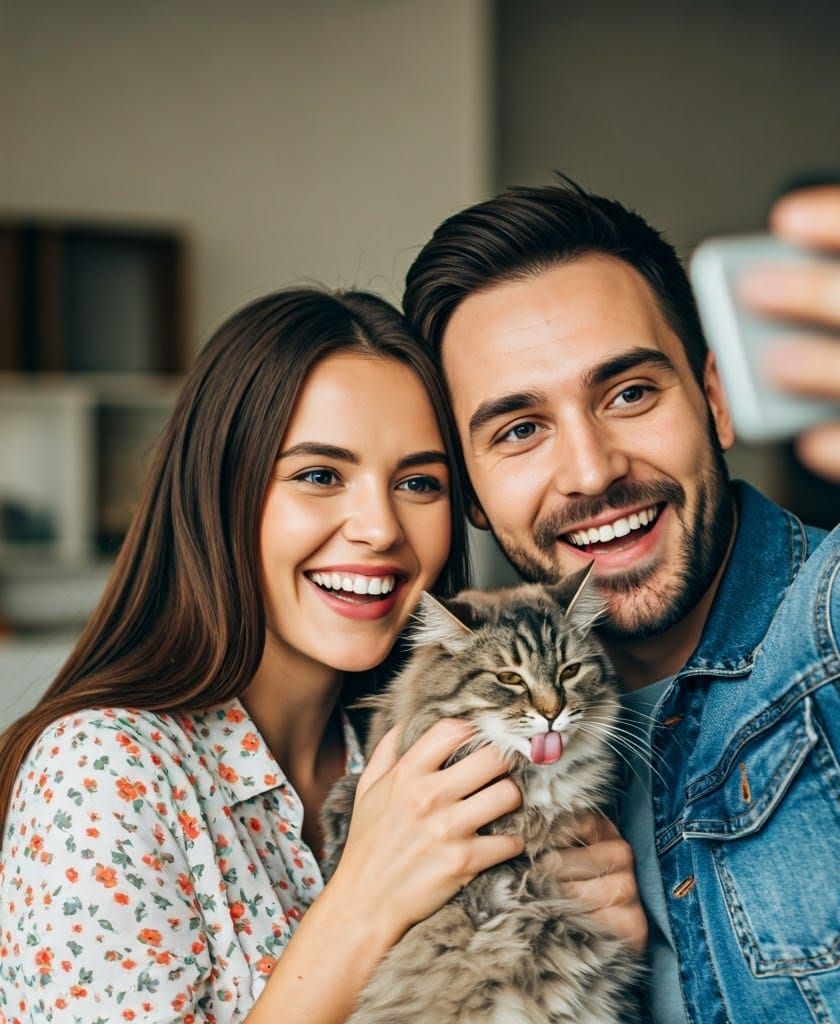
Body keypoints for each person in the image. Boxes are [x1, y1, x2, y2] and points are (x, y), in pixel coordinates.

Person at [401, 162, 840, 1023]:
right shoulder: (455, 754)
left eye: (629, 392)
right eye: (520, 429)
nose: (591, 469)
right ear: (472, 493)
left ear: (716, 402)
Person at [0, 288, 641, 1023]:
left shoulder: (413, 756)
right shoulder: (102, 768)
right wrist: (362, 901)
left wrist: (588, 941)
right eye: (319, 475)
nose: (377, 527)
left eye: (417, 483)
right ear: (220, 492)